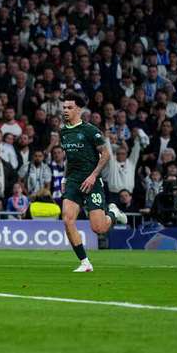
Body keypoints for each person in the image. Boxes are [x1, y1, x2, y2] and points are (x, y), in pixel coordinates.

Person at [60, 91, 126, 272]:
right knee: (67, 219)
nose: (65, 110)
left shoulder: (90, 131)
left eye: (69, 107)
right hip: (73, 181)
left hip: (92, 181)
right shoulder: (63, 131)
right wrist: (65, 178)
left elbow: (105, 154)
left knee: (99, 228)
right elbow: (69, 157)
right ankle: (85, 262)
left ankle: (112, 212)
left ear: (78, 110)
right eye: (64, 107)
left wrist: (93, 175)